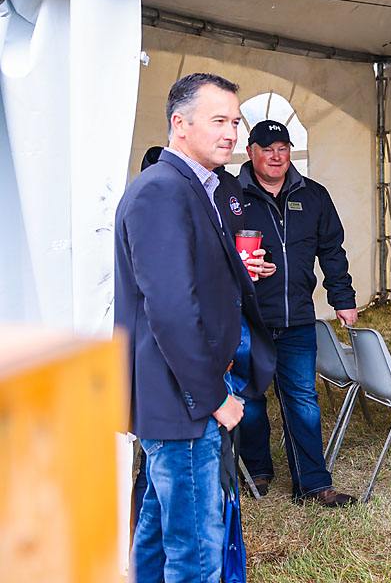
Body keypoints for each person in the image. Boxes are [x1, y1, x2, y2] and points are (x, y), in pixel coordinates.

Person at [115, 73, 275, 582]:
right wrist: (214, 397)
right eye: (218, 120)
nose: (231, 133)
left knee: (158, 528)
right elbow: (170, 310)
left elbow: (189, 279)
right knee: (197, 549)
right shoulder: (162, 190)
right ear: (179, 124)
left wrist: (237, 273)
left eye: (235, 121)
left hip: (182, 390)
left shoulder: (204, 186)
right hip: (182, 397)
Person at [236, 119, 360, 507]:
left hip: (298, 318)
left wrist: (343, 298)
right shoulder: (231, 196)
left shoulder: (313, 195)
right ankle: (257, 470)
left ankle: (312, 483)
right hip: (248, 318)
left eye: (283, 148)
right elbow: (214, 250)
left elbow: (332, 251)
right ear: (250, 152)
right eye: (267, 149)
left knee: (303, 400)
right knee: (250, 397)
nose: (276, 156)